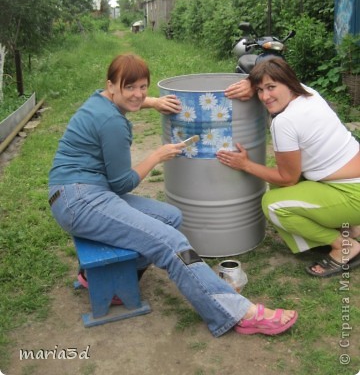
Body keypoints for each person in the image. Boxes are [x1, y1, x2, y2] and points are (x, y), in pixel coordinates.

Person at [48, 52, 297, 337]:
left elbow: (127, 101)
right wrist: (156, 156)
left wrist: (152, 101)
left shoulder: (99, 100)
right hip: (81, 201)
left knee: (170, 216)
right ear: (111, 85)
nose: (138, 94)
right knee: (170, 242)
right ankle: (239, 312)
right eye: (130, 87)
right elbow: (121, 184)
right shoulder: (112, 124)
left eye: (143, 87)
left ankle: (109, 280)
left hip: (74, 193)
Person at [217, 58, 360, 278]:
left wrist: (245, 164)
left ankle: (344, 246)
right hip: (348, 184)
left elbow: (288, 178)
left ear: (288, 83)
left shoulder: (285, 122)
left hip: (351, 195)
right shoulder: (307, 93)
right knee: (278, 184)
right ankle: (349, 227)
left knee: (274, 205)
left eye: (271, 87)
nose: (265, 97)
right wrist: (252, 80)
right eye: (260, 90)